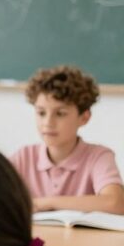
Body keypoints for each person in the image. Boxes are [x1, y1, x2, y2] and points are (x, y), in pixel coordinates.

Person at [9, 65, 124, 214]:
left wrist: (45, 203)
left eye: (60, 113)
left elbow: (116, 203)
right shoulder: (24, 157)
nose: (48, 123)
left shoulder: (98, 157)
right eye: (41, 113)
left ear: (84, 117)